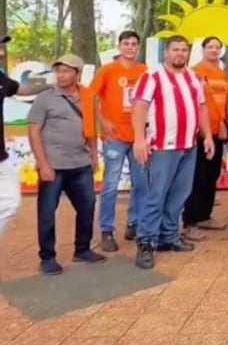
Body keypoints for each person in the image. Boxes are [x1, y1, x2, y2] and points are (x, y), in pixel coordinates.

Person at [131, 36, 215, 269]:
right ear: (166, 52)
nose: (180, 53)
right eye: (175, 49)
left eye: (184, 50)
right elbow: (139, 106)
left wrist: (207, 135)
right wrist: (139, 138)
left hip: (188, 145)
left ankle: (169, 236)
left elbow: (201, 106)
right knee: (156, 194)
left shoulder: (192, 77)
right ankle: (146, 241)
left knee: (180, 194)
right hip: (162, 146)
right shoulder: (152, 76)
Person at [27, 54, 105, 275]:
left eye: (66, 71)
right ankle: (47, 257)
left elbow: (91, 129)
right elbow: (33, 131)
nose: (61, 75)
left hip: (80, 164)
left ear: (77, 74)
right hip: (54, 165)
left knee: (88, 206)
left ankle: (82, 249)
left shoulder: (88, 96)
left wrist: (94, 156)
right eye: (58, 71)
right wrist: (43, 163)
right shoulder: (46, 98)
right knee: (47, 212)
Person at [90, 30, 148, 252]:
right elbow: (91, 96)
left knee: (141, 183)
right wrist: (102, 120)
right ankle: (106, 230)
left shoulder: (144, 70)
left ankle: (134, 223)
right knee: (111, 185)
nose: (130, 47)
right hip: (114, 137)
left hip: (137, 136)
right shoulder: (108, 70)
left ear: (138, 47)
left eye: (134, 44)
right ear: (119, 46)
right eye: (126, 43)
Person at [0, 35, 50, 237]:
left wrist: (50, 85)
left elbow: (22, 89)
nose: (2, 52)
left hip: (1, 158)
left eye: (2, 47)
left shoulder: (0, 78)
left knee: (11, 200)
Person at [182, 36, 228, 238]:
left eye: (217, 47)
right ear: (202, 49)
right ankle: (190, 220)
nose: (214, 50)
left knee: (212, 174)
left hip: (219, 130)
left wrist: (225, 123)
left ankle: (205, 216)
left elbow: (225, 101)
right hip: (201, 131)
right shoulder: (194, 72)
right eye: (210, 47)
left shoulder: (221, 72)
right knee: (198, 176)